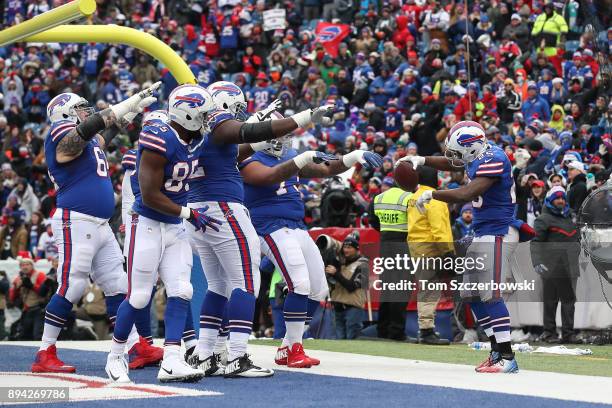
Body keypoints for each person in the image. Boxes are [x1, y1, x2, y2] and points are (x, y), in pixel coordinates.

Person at [189, 82, 335, 377]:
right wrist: (306, 116)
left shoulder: (196, 133)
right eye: (238, 108)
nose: (241, 114)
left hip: (199, 208)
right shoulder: (218, 126)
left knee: (218, 285)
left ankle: (206, 353)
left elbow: (242, 145)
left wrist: (263, 124)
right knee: (245, 282)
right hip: (223, 208)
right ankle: (237, 356)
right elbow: (248, 135)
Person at [240, 111, 382, 367]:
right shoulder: (248, 158)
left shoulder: (290, 157)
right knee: (299, 283)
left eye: (286, 135)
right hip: (267, 226)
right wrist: (301, 159)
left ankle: (288, 346)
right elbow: (268, 177)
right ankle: (293, 347)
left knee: (319, 288)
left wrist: (355, 156)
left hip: (295, 226)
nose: (284, 141)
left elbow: (327, 168)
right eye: (278, 134)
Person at [34, 86, 159, 374]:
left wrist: (129, 114)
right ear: (64, 112)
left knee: (119, 285)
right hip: (75, 219)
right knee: (73, 283)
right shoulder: (60, 134)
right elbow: (81, 135)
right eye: (79, 108)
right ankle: (44, 351)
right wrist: (122, 104)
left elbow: (102, 136)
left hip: (99, 224)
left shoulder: (87, 141)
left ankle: (133, 347)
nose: (85, 112)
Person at [398, 120, 536, 373]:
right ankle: (496, 352)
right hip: (483, 231)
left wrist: (432, 194)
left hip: (499, 231)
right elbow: (453, 162)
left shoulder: (495, 157)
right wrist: (421, 160)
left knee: (490, 293)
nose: (454, 156)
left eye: (458, 150)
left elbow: (467, 193)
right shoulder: (479, 153)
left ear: (470, 148)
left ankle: (506, 357)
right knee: (471, 294)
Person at [107, 85, 220, 384]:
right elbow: (149, 194)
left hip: (174, 227)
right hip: (148, 224)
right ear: (187, 113)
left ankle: (172, 360)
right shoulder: (159, 135)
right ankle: (116, 356)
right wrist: (189, 213)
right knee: (140, 295)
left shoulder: (196, 139)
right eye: (203, 113)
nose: (207, 119)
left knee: (182, 290)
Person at [407, 166, 454, 345]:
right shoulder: (435, 199)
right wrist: (448, 252)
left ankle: (425, 328)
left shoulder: (413, 197)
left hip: (416, 247)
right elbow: (439, 228)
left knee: (425, 289)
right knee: (429, 290)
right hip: (431, 248)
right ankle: (426, 330)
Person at [531, 186, 580, 344]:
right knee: (550, 301)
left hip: (570, 267)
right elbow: (536, 243)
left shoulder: (571, 217)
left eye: (562, 198)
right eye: (557, 198)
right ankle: (549, 333)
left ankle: (568, 334)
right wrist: (537, 262)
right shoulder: (543, 219)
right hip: (551, 267)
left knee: (569, 302)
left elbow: (577, 239)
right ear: (550, 201)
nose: (560, 200)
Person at [370, 175, 412, 341]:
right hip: (403, 245)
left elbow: (373, 222)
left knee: (387, 289)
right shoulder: (408, 197)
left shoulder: (378, 198)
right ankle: (396, 332)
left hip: (385, 244)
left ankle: (383, 329)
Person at [325, 233, 368, 340]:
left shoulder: (363, 264)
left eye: (349, 247)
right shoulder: (341, 263)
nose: (346, 250)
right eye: (344, 247)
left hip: (353, 309)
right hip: (338, 307)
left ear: (357, 249)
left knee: (351, 341)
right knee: (340, 343)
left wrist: (336, 273)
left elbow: (351, 286)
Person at [9, 254, 49, 340]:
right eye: (22, 265)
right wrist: (16, 288)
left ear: (32, 265)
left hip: (39, 310)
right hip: (26, 310)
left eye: (27, 264)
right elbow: (12, 298)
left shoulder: (40, 275)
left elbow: (45, 293)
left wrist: (31, 286)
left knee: (37, 336)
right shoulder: (18, 278)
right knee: (23, 337)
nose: (25, 267)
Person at [0, 270, 8, 340]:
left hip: (0, 305)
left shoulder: (3, 279)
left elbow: (5, 288)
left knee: (1, 320)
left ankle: (2, 336)